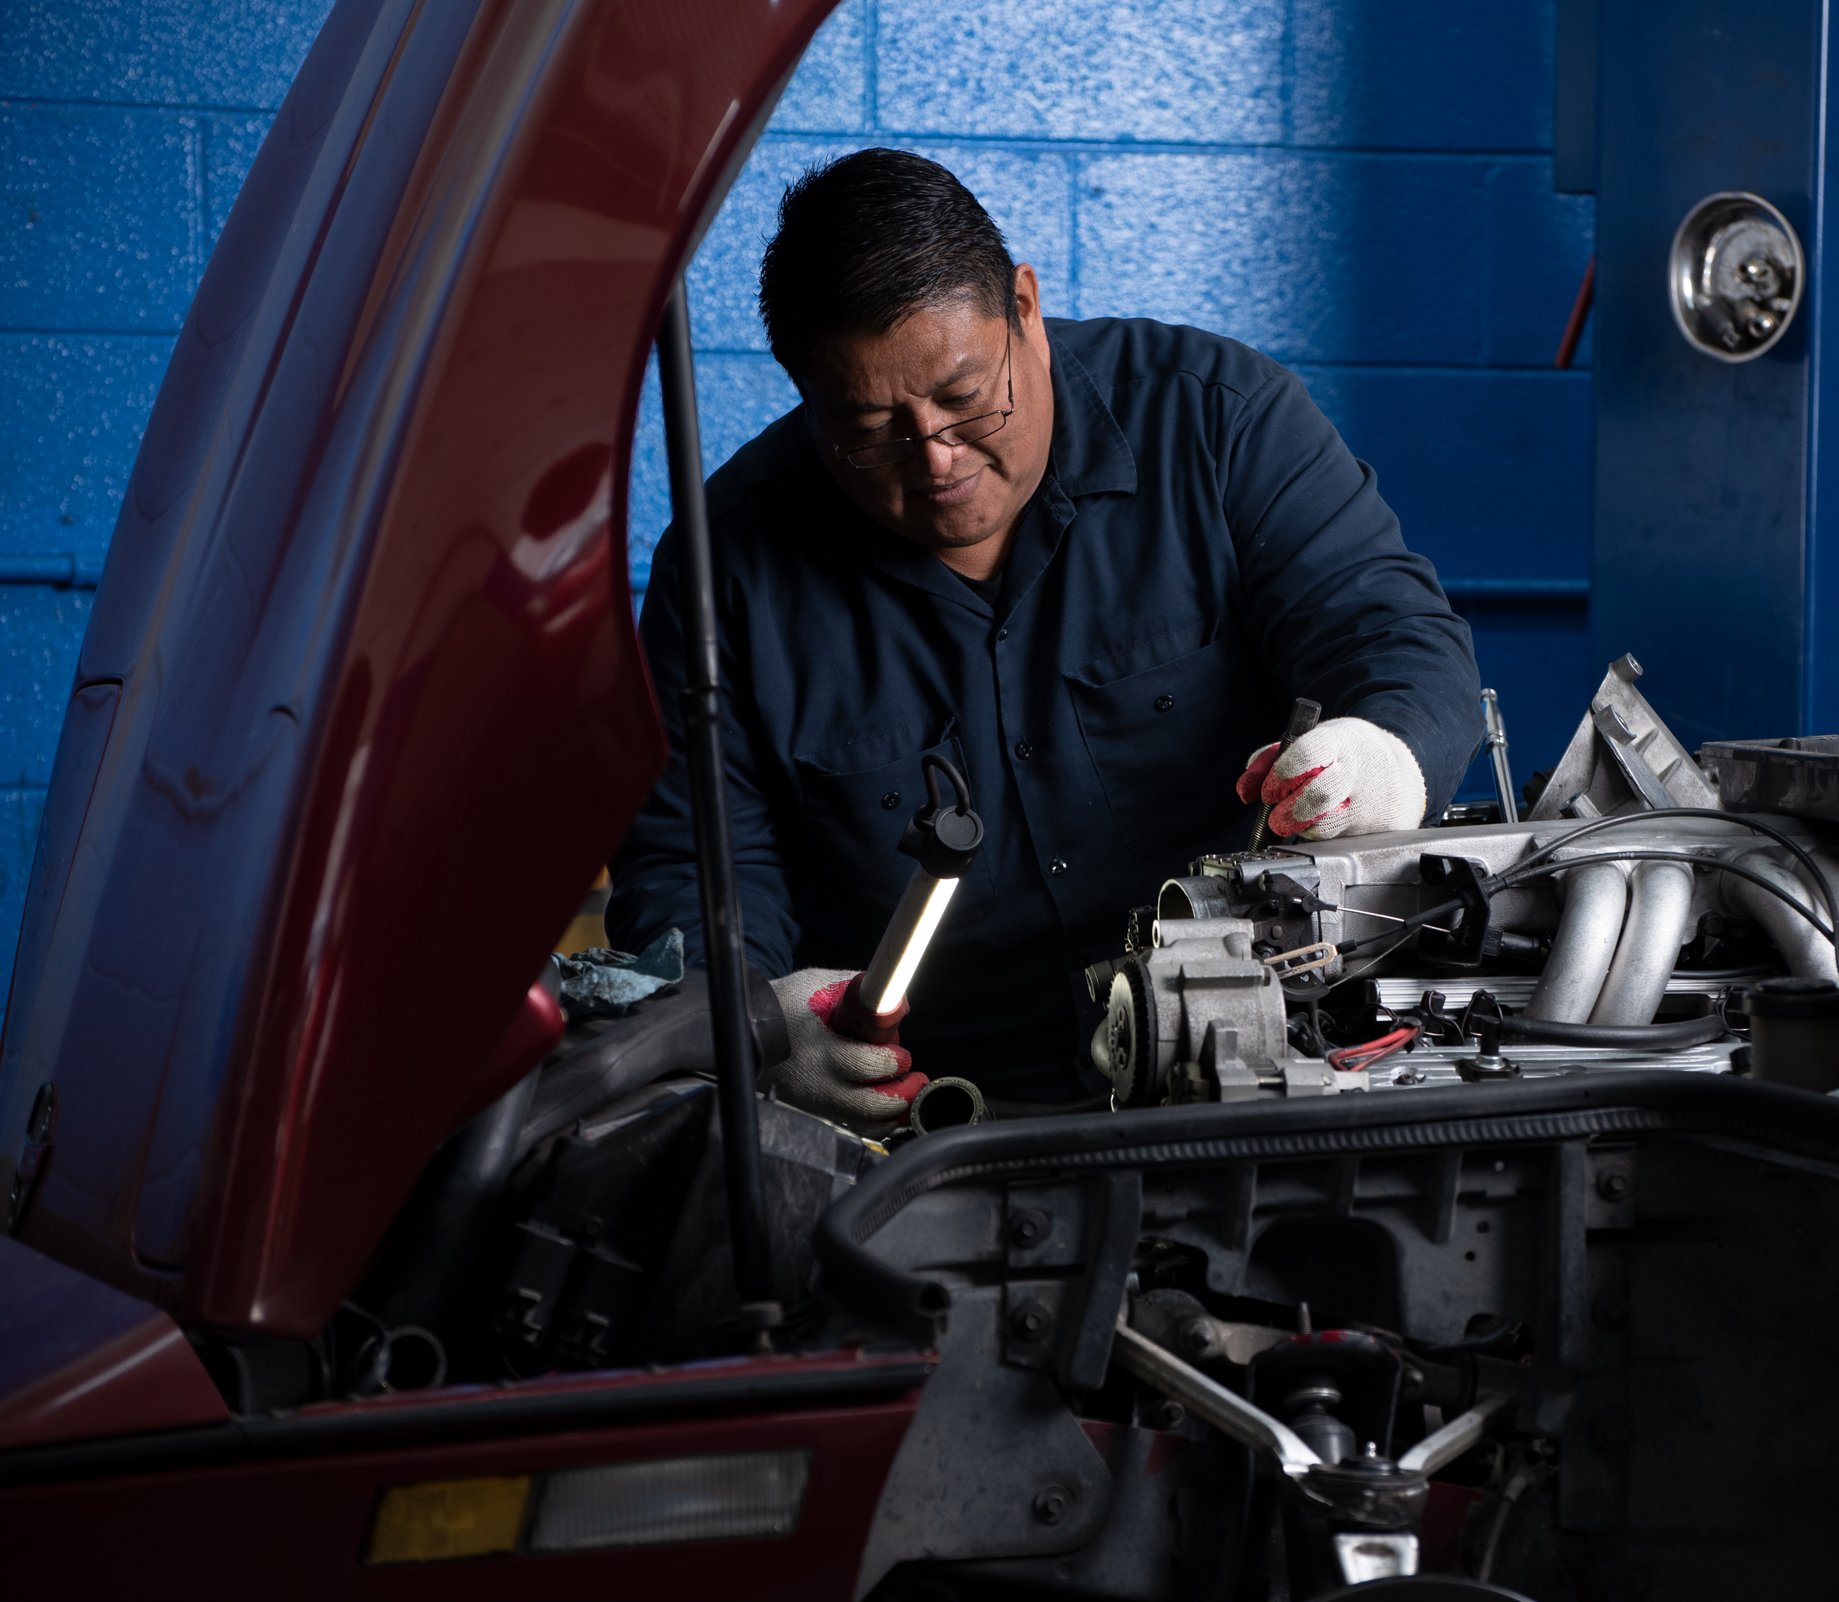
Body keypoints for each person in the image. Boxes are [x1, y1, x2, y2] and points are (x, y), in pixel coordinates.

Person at [608, 148, 1482, 1124]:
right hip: (931, 1121)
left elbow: (1392, 633)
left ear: (1023, 306)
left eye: (965, 397)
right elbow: (697, 867)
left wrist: (1381, 756)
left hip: (1260, 1070)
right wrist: (759, 1035)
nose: (934, 457)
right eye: (870, 430)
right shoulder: (725, 570)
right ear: (807, 400)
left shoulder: (1219, 424)